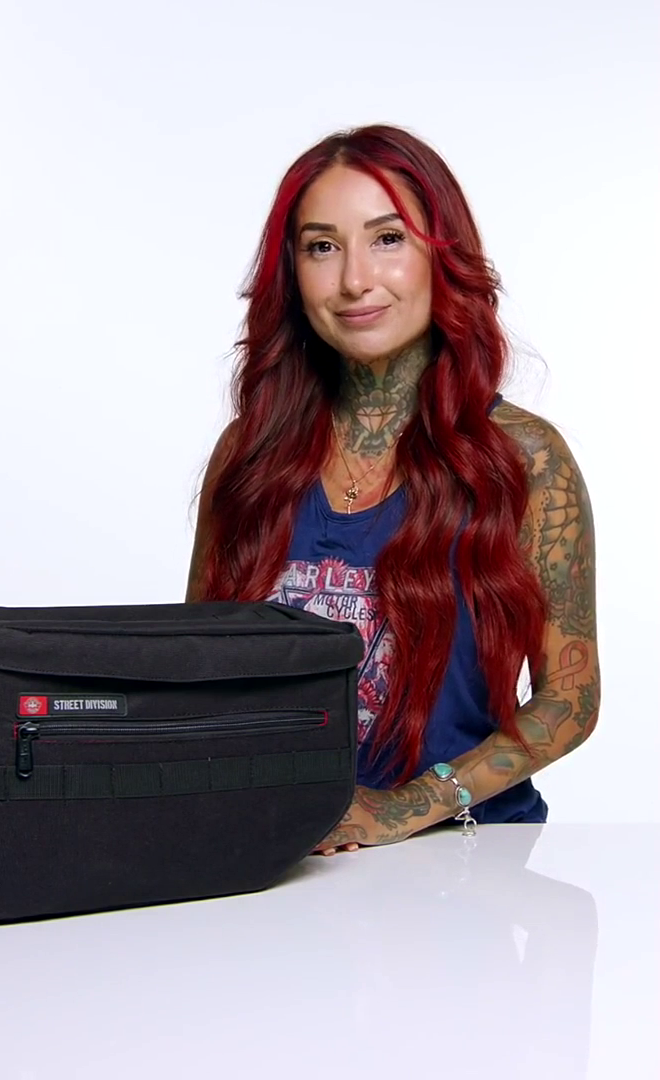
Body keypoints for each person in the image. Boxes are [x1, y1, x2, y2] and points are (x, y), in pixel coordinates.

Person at [185, 124, 600, 855]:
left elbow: (571, 700)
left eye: (387, 239)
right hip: (278, 861)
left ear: (442, 254)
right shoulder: (248, 455)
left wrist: (401, 810)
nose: (354, 280)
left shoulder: (526, 460)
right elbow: (192, 668)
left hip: (464, 864)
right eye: (322, 246)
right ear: (293, 273)